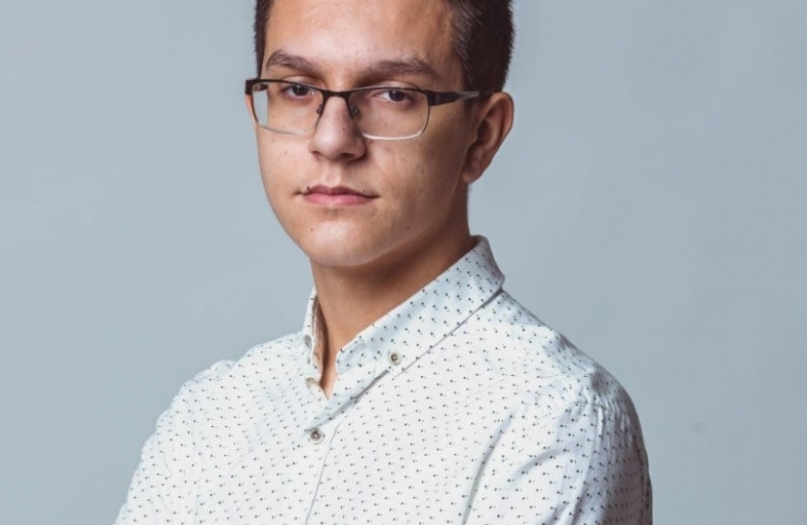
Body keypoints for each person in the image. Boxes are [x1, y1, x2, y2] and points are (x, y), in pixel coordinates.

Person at [114, 0, 652, 523]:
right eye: (298, 89)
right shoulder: (209, 417)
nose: (332, 139)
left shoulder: (553, 417)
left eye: (395, 94)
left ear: (481, 136)